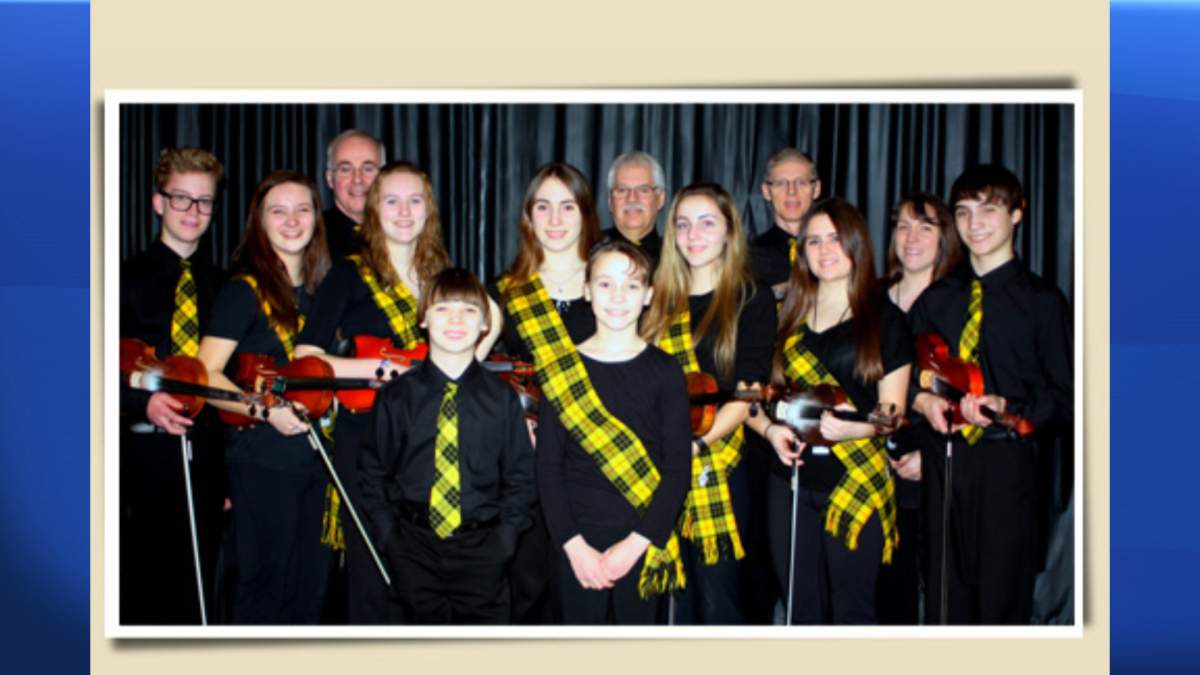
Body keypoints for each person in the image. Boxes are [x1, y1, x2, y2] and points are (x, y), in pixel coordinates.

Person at [296, 161, 501, 623]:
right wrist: (375, 367)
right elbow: (307, 359)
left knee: (428, 572)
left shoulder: (444, 275)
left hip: (434, 442)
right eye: (391, 200)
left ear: (429, 210)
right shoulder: (348, 275)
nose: (404, 211)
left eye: (415, 201)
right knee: (373, 571)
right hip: (367, 439)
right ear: (374, 210)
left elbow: (484, 332)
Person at [909, 165, 1072, 624]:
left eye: (989, 210)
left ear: (1017, 214)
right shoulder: (935, 299)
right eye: (962, 212)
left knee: (1002, 600)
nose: (974, 224)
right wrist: (922, 403)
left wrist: (1011, 408)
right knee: (945, 597)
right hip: (945, 461)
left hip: (1009, 465)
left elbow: (1068, 396)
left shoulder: (1044, 301)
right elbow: (903, 377)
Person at [746, 197, 911, 625]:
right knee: (800, 609)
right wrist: (770, 429)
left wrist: (854, 432)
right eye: (813, 241)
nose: (824, 251)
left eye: (835, 239)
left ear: (856, 243)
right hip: (791, 482)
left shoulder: (886, 320)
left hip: (854, 477)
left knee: (853, 611)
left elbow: (891, 414)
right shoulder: (787, 317)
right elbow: (758, 398)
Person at [359, 268, 536, 624]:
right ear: (423, 319)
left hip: (483, 551)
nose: (456, 319)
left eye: (469, 310)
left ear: (485, 324)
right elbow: (372, 473)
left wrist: (504, 540)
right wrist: (390, 539)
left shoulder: (502, 398)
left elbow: (521, 476)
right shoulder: (395, 397)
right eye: (442, 308)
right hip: (412, 549)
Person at [196, 170, 332, 624]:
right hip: (262, 459)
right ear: (260, 221)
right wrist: (265, 410)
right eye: (279, 210)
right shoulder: (243, 290)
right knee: (266, 587)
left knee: (309, 589)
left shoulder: (324, 293)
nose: (292, 221)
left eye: (303, 209)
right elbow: (205, 374)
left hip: (318, 462)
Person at [640, 183, 778, 624]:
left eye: (706, 222)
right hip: (656, 462)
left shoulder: (749, 298)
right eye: (682, 224)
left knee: (717, 599)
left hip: (720, 461)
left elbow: (748, 391)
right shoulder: (657, 298)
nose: (693, 234)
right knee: (665, 599)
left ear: (728, 231)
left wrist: (692, 448)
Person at [537, 241, 691, 624]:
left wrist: (636, 545)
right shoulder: (562, 370)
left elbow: (677, 472)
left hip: (641, 538)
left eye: (631, 285)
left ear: (648, 296)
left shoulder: (667, 371)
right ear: (587, 291)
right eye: (605, 284)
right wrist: (573, 546)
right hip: (576, 541)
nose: (618, 296)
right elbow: (547, 468)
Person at [491, 161, 603, 623]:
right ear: (528, 216)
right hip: (530, 465)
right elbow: (477, 378)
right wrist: (516, 428)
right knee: (528, 591)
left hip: (596, 463)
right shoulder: (505, 292)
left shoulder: (613, 285)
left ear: (585, 213)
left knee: (587, 597)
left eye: (567, 206)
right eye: (543, 207)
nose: (555, 220)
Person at [119, 147, 226, 624]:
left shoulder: (227, 286)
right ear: (158, 202)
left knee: (200, 591)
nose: (193, 212)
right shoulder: (119, 278)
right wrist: (141, 403)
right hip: (137, 457)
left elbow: (230, 380)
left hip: (206, 457)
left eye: (203, 201)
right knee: (144, 590)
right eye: (181, 198)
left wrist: (227, 477)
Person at [876, 192, 961, 624]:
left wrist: (930, 455)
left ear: (944, 238)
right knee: (882, 591)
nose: (911, 238)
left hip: (931, 467)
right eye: (903, 226)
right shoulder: (870, 297)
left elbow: (968, 395)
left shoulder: (961, 302)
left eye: (925, 228)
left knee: (937, 591)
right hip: (870, 463)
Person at [750, 148, 822, 299]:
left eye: (801, 182)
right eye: (781, 183)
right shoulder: (748, 258)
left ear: (816, 189)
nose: (791, 192)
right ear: (766, 191)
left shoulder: (837, 252)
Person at [323, 129, 386, 260]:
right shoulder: (312, 237)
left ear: (384, 177)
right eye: (345, 169)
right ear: (330, 179)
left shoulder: (403, 231)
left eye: (368, 169)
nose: (357, 179)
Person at [601, 151, 667, 267]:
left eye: (643, 190)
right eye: (622, 190)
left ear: (660, 199)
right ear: (610, 201)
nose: (632, 199)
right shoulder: (587, 252)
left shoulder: (677, 258)